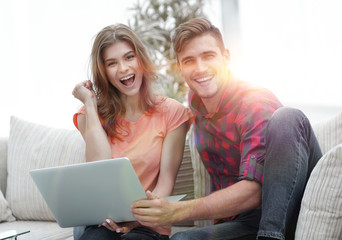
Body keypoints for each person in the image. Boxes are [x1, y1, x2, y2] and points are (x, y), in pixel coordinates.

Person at [131, 18, 323, 240]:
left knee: (289, 117)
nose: (201, 68)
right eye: (190, 60)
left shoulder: (254, 102)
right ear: (180, 68)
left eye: (208, 56)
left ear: (226, 58)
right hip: (246, 223)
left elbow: (254, 192)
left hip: (288, 208)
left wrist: (177, 210)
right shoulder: (196, 103)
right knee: (182, 239)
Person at [72, 23, 191, 240]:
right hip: (104, 223)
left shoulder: (172, 112)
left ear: (141, 60)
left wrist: (135, 220)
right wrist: (90, 104)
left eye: (129, 57)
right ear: (104, 72)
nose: (124, 68)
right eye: (112, 63)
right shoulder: (88, 114)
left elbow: (165, 183)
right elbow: (99, 168)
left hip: (148, 226)